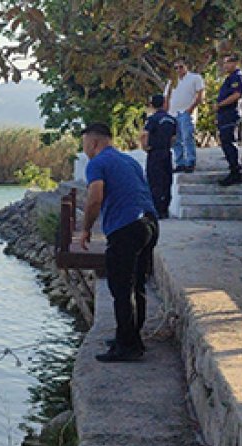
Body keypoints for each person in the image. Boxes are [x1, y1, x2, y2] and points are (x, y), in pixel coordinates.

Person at [78, 123, 156, 362]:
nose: (85, 151)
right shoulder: (129, 161)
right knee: (138, 284)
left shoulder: (97, 163)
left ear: (93, 143)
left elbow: (95, 198)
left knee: (121, 289)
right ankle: (130, 336)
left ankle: (128, 347)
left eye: (84, 146)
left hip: (126, 228)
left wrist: (86, 229)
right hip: (150, 224)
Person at [164, 58, 205, 173]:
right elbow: (166, 97)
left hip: (186, 112)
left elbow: (200, 94)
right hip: (172, 113)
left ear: (186, 66)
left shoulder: (195, 78)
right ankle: (179, 163)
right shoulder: (172, 81)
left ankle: (190, 161)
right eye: (175, 68)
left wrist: (191, 109)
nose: (178, 70)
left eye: (180, 67)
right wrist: (165, 113)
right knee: (176, 140)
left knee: (187, 137)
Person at [140, 94, 177, 219]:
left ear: (152, 105)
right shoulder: (172, 120)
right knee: (166, 181)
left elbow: (145, 134)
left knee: (154, 181)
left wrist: (145, 147)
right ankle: (164, 209)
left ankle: (155, 210)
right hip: (166, 153)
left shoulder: (152, 119)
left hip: (154, 153)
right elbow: (174, 138)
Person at [214, 54, 242, 186]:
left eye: (227, 62)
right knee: (225, 142)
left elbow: (236, 94)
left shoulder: (237, 77)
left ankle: (235, 171)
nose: (225, 65)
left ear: (235, 63)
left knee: (229, 142)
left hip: (230, 113)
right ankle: (233, 168)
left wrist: (220, 105)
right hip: (224, 115)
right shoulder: (229, 78)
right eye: (224, 63)